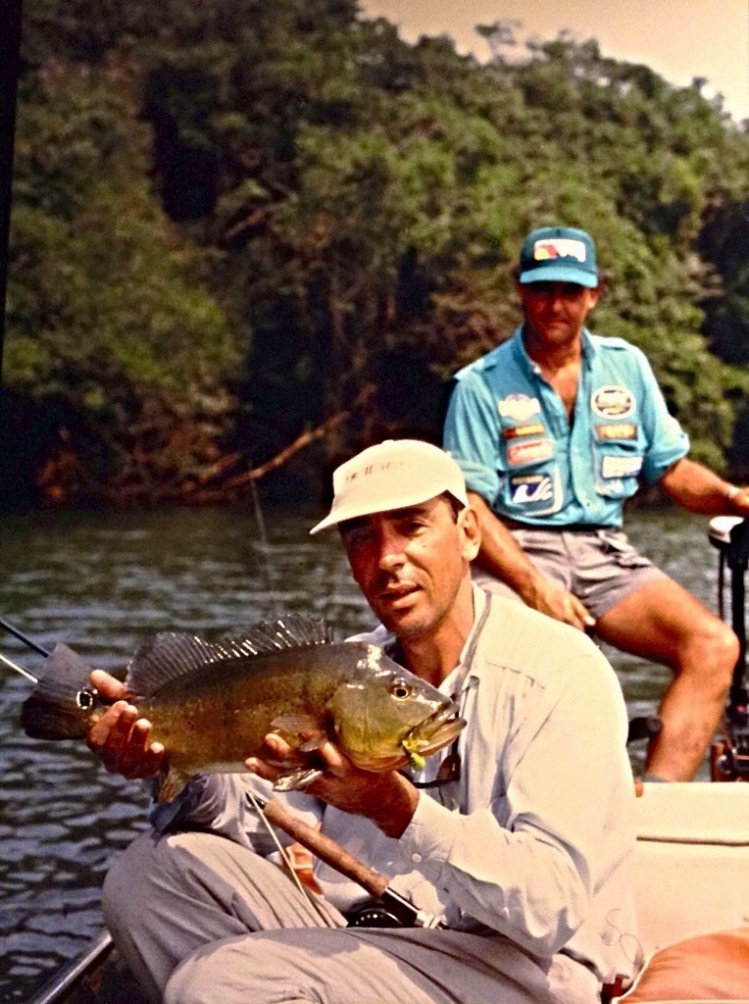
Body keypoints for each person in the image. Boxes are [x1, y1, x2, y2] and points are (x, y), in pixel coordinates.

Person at [88, 438, 637, 1004]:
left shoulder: (559, 672)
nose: (387, 557)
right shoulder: (347, 671)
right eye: (362, 538)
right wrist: (171, 756)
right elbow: (261, 822)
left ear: (469, 533)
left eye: (410, 526)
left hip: (525, 968)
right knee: (146, 879)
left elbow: (552, 912)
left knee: (223, 981)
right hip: (376, 941)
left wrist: (397, 809)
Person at [443, 224, 749, 783]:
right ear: (521, 292)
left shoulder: (626, 366)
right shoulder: (479, 385)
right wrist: (535, 587)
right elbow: (469, 506)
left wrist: (732, 496)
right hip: (512, 552)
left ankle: (659, 810)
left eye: (569, 291)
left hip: (606, 552)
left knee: (714, 646)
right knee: (492, 655)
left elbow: (673, 470)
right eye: (542, 290)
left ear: (593, 296)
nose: (555, 305)